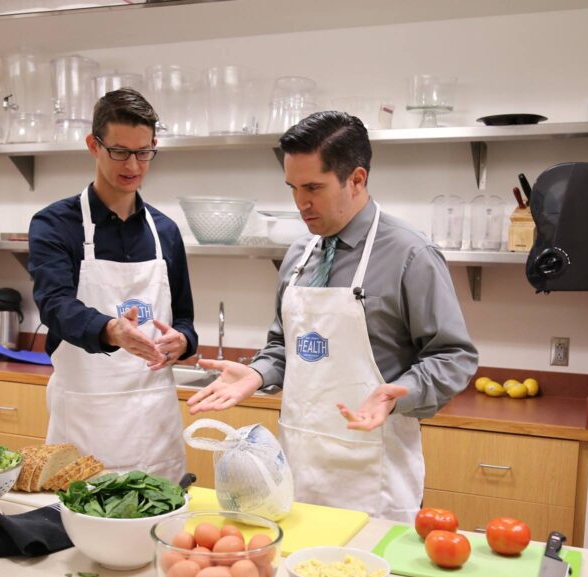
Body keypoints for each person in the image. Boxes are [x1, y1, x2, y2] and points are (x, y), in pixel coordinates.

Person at [188, 111, 478, 522]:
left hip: (372, 481)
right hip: (295, 473)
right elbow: (281, 346)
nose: (300, 203)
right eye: (292, 187)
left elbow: (454, 356)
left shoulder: (410, 255)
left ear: (356, 179)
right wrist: (258, 373)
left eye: (313, 188)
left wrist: (401, 393)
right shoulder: (298, 256)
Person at [28, 88, 197, 480]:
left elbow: (186, 319)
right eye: (120, 151)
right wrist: (110, 329)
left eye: (144, 152)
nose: (133, 164)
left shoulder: (165, 232)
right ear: (94, 145)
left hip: (156, 427)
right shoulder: (55, 225)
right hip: (85, 424)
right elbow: (54, 306)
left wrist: (183, 341)